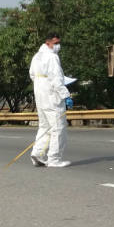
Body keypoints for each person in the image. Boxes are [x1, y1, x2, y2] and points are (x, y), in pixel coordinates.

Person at [29, 32, 71, 168]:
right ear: (48, 43)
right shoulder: (52, 57)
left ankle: (38, 153)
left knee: (45, 126)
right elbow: (57, 79)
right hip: (51, 96)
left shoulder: (37, 56)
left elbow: (32, 75)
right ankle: (54, 159)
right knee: (58, 127)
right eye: (56, 43)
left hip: (39, 94)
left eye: (59, 43)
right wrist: (66, 95)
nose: (58, 46)